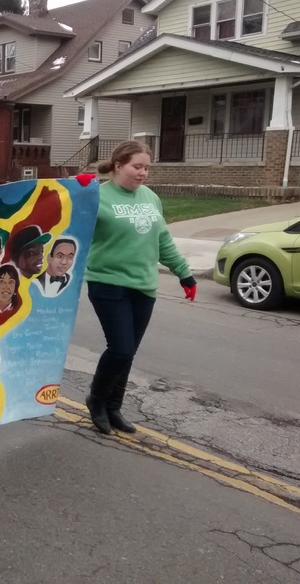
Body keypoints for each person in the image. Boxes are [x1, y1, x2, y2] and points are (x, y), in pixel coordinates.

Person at [85, 140, 197, 436]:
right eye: (137, 166)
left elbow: (162, 241)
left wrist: (184, 273)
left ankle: (114, 407)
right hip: (107, 283)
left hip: (144, 286)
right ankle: (96, 401)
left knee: (129, 351)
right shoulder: (96, 196)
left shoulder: (150, 197)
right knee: (120, 349)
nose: (143, 173)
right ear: (119, 165)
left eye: (147, 167)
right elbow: (65, 225)